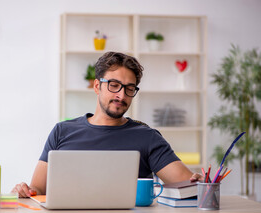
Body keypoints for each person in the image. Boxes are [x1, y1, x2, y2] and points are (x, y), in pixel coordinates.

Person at [12, 51, 203, 198]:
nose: (121, 95)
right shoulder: (62, 131)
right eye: (114, 85)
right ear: (97, 86)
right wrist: (25, 191)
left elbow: (187, 184)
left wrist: (200, 182)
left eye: (129, 89)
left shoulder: (147, 136)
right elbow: (37, 190)